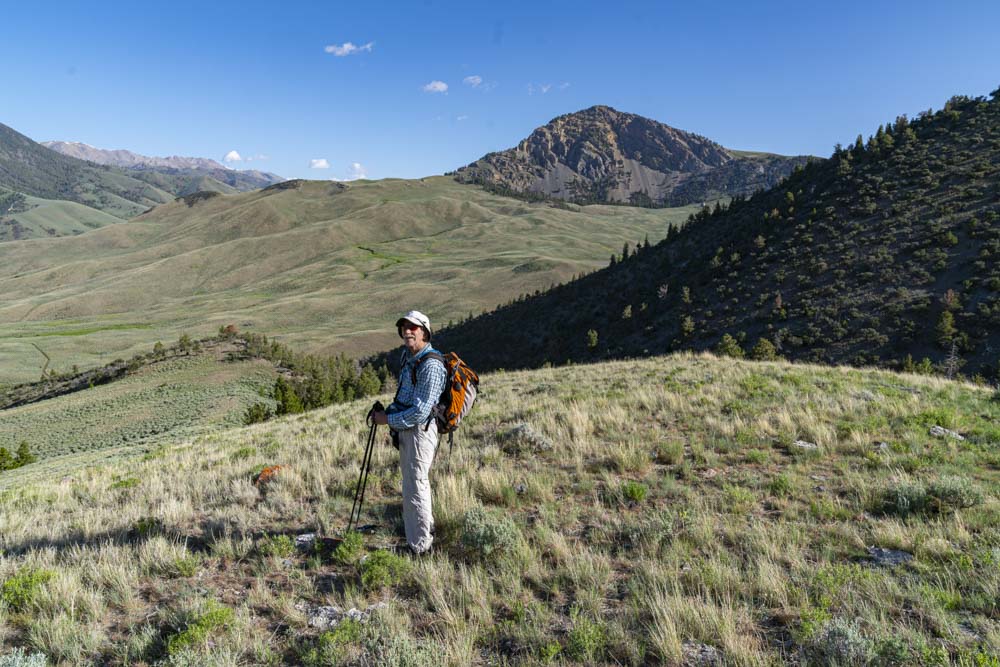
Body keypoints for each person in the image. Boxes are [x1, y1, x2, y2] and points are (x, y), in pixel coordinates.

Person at [371, 310, 446, 554]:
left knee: (415, 486)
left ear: (424, 332)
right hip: (408, 432)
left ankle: (420, 547)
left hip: (419, 433)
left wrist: (387, 419)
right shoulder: (410, 357)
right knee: (413, 484)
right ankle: (423, 534)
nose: (407, 331)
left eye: (413, 327)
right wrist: (389, 412)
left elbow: (420, 412)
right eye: (404, 327)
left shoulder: (431, 365)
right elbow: (406, 397)